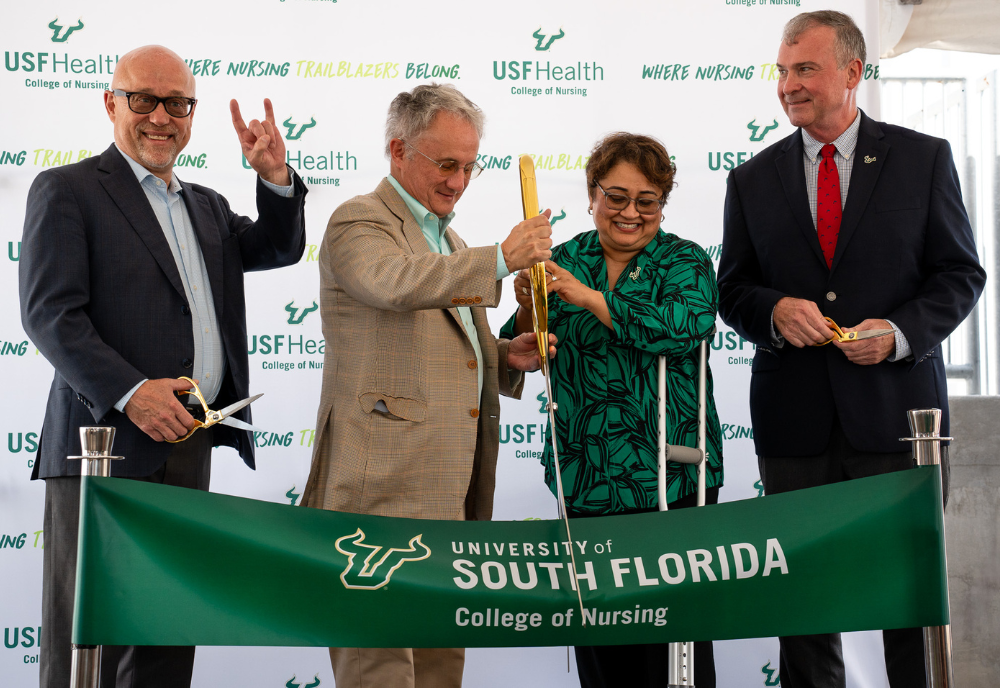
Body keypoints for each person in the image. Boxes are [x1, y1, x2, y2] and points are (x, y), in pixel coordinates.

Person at [19, 45, 307, 688]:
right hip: (102, 452)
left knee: (168, 639)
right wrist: (130, 393)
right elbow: (49, 315)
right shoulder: (67, 190)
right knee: (84, 644)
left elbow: (279, 248)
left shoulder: (204, 205)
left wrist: (275, 179)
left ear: (192, 115)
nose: (160, 117)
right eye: (142, 99)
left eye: (177, 103)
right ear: (110, 104)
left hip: (187, 445)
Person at [717, 11, 985, 688]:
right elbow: (735, 290)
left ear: (852, 71)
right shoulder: (750, 180)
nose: (787, 86)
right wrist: (774, 311)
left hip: (899, 423)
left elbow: (960, 275)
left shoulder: (922, 158)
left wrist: (897, 334)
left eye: (803, 69)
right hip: (794, 428)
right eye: (781, 71)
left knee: (907, 604)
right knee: (804, 603)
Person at [300, 83, 555, 688]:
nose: (459, 181)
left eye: (470, 166)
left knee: (441, 671)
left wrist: (504, 357)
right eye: (446, 164)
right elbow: (395, 283)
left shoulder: (451, 240)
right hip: (379, 502)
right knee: (379, 672)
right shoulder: (358, 220)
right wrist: (500, 259)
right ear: (397, 150)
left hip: (450, 498)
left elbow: (441, 349)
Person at [501, 132, 723, 688]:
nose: (630, 212)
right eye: (616, 196)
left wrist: (588, 298)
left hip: (671, 476)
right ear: (592, 196)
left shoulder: (685, 260)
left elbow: (682, 326)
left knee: (677, 650)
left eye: (647, 200)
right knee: (603, 645)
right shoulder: (562, 257)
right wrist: (530, 310)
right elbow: (520, 345)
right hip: (588, 474)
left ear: (662, 206)